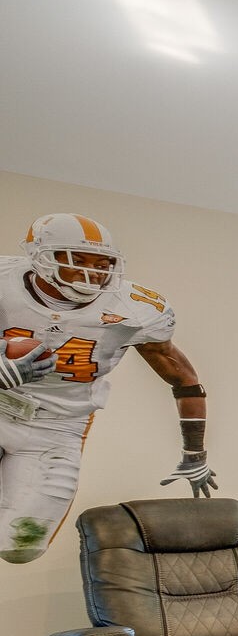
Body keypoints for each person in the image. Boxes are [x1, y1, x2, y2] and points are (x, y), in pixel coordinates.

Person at [0, 214, 216, 564]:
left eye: (103, 263)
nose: (93, 273)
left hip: (56, 427)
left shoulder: (134, 308)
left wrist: (196, 453)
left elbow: (183, 378)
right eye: (76, 261)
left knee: (20, 545)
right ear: (39, 258)